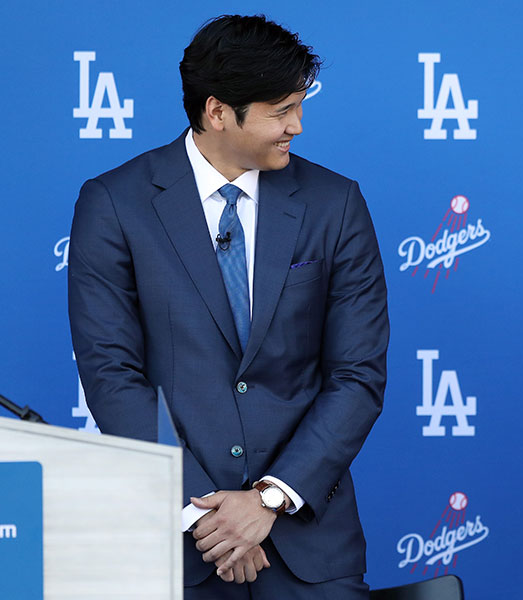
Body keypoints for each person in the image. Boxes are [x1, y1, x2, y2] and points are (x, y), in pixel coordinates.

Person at [68, 14, 388, 599]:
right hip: (174, 551)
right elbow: (112, 376)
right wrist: (210, 516)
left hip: (309, 552)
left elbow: (357, 374)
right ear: (218, 112)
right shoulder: (115, 203)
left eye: (299, 106)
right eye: (280, 110)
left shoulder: (335, 203)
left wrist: (268, 499)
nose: (296, 125)